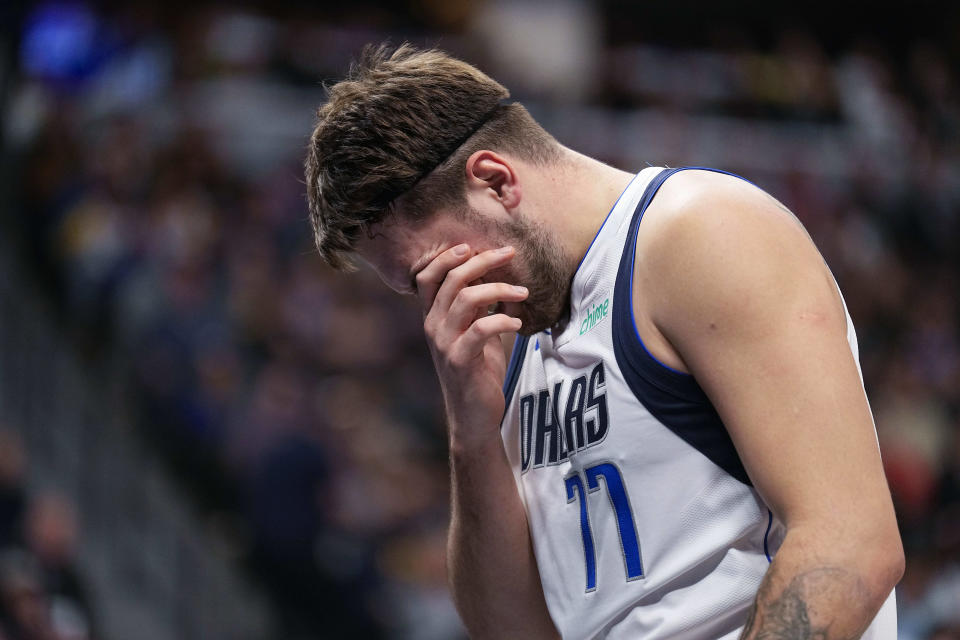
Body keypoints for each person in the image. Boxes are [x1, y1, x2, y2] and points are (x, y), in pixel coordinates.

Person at [304, 44, 903, 639]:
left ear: (494, 180)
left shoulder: (698, 233)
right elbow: (512, 632)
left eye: (436, 273)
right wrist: (472, 435)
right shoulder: (510, 341)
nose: (441, 305)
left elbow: (850, 542)